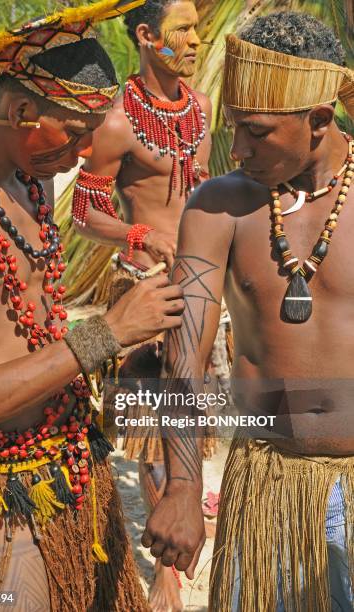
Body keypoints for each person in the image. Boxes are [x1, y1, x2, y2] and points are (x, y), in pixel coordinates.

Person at [0, 2, 185, 610]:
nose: (83, 153)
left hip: (77, 474)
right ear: (23, 111)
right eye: (75, 132)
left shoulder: (34, 176)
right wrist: (104, 333)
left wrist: (119, 354)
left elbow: (33, 322)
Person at [142, 11, 354, 611]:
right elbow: (186, 351)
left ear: (318, 120)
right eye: (232, 128)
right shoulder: (221, 205)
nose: (237, 149)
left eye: (257, 132)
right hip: (266, 482)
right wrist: (182, 484)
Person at [70, 1, 212, 608]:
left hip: (202, 283)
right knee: (156, 429)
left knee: (193, 415)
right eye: (183, 29)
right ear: (147, 35)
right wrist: (137, 234)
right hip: (146, 286)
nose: (196, 41)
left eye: (198, 29)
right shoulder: (116, 120)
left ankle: (182, 522)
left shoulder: (199, 107)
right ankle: (167, 572)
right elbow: (82, 209)